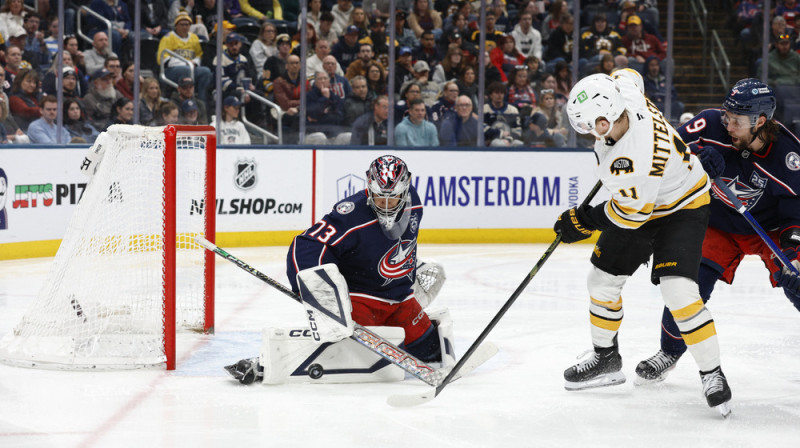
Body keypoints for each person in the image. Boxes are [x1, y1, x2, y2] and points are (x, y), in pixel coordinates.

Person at [556, 73, 732, 415]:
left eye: (593, 127)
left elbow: (631, 215)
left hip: (682, 207)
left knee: (679, 292)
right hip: (646, 199)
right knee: (601, 281)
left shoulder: (632, 160)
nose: (591, 134)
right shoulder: (626, 93)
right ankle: (605, 358)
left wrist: (583, 221)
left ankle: (713, 373)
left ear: (605, 120)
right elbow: (628, 75)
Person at [635, 78, 800, 384]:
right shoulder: (710, 124)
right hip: (718, 224)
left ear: (760, 122)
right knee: (687, 286)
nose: (728, 125)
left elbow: (794, 212)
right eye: (727, 116)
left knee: (797, 281)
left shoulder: (789, 156)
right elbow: (663, 155)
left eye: (736, 121)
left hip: (770, 229)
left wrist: (794, 255)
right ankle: (669, 352)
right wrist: (693, 163)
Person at [157, 12, 213, 103]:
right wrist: (185, 63)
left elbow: (199, 54)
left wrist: (194, 62)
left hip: (191, 67)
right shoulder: (168, 38)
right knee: (185, 70)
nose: (184, 27)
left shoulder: (194, 38)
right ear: (176, 26)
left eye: (187, 25)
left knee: (205, 71)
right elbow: (163, 59)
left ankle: (201, 102)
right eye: (182, 24)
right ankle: (185, 100)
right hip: (171, 71)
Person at [8, 68, 40, 132]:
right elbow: (25, 111)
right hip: (24, 131)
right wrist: (43, 110)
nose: (32, 85)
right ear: (19, 81)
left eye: (34, 82)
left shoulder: (35, 97)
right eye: (29, 81)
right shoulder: (14, 98)